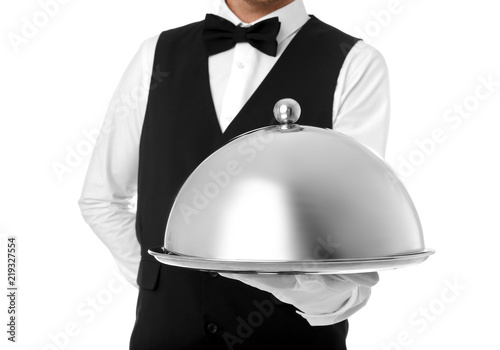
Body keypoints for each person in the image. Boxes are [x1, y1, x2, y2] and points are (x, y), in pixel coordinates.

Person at [78, 0, 390, 349]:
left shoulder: (354, 62)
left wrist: (311, 294)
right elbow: (101, 199)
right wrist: (155, 277)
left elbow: (352, 235)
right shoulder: (155, 54)